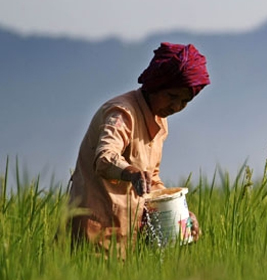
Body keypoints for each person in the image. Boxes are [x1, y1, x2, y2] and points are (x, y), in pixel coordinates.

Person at [69, 42, 210, 257]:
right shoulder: (122, 114)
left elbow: (150, 179)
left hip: (129, 238)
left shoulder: (159, 121)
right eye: (172, 96)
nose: (177, 107)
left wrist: (181, 216)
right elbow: (105, 158)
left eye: (185, 101)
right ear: (155, 84)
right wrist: (130, 172)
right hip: (94, 235)